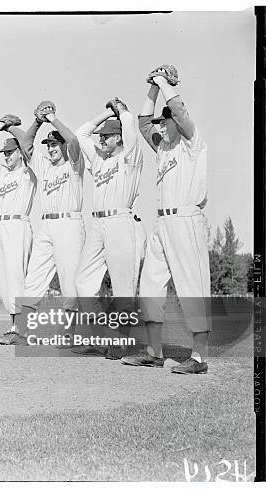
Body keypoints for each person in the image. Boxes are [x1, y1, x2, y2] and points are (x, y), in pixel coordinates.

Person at [121, 66, 211, 374]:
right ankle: (153, 351)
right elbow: (144, 121)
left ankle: (199, 357)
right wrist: (152, 88)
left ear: (174, 122)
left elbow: (180, 111)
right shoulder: (163, 147)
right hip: (163, 224)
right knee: (149, 285)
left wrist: (162, 81)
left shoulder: (191, 142)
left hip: (186, 219)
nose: (160, 125)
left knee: (192, 287)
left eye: (165, 121)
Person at [72, 98, 146, 358]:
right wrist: (105, 113)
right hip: (97, 224)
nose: (101, 139)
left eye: (107, 136)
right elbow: (82, 133)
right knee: (83, 281)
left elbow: (132, 132)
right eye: (101, 136)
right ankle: (101, 337)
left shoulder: (130, 157)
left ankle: (121, 342)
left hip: (121, 222)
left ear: (119, 137)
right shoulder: (98, 159)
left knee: (123, 287)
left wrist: (123, 112)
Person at [15, 101, 86, 345]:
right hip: (46, 225)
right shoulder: (44, 165)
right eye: (49, 144)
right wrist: (37, 120)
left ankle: (70, 333)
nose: (51, 148)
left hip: (69, 223)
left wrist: (53, 118)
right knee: (33, 277)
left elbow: (75, 141)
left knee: (69, 281)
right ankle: (22, 331)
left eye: (55, 143)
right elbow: (26, 145)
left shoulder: (74, 163)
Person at [0, 115, 37, 344]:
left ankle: (21, 328)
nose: (6, 156)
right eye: (4, 153)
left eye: (10, 152)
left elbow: (27, 144)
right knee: (3, 279)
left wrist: (13, 129)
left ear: (20, 153)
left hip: (17, 224)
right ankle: (14, 326)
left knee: (16, 276)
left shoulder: (28, 172)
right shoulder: (0, 171)